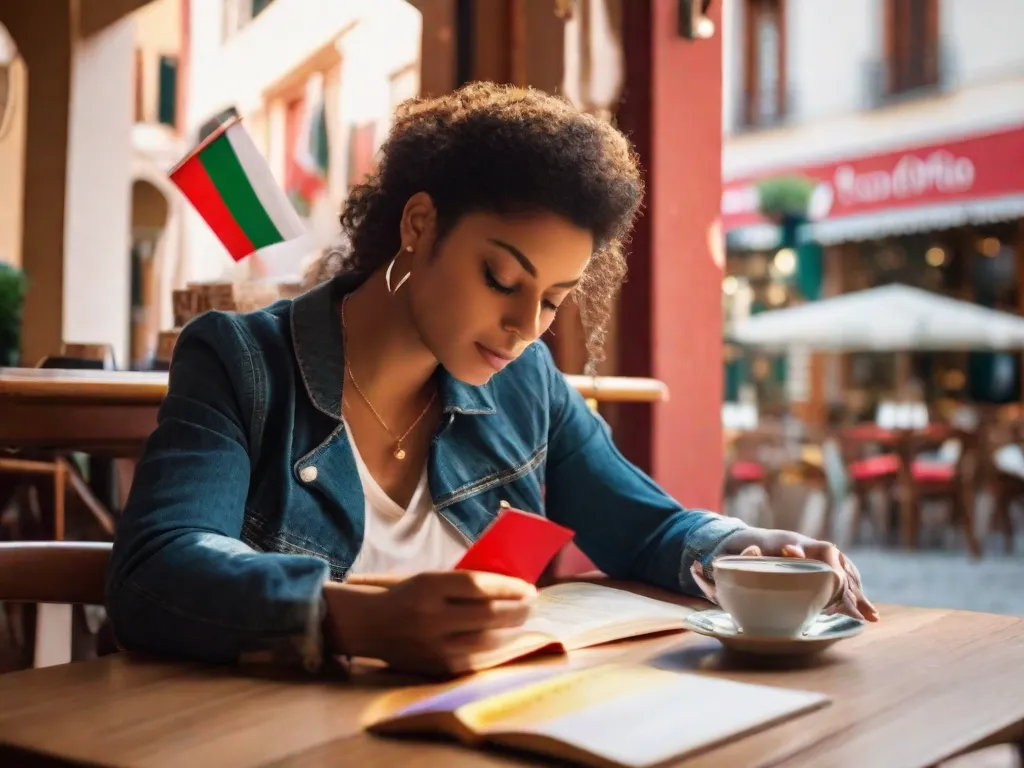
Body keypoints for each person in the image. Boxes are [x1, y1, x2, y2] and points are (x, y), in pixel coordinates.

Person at [107, 83, 877, 676]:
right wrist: (354, 620)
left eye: (552, 299)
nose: (525, 325)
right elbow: (157, 569)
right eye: (500, 276)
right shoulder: (241, 361)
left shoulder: (524, 382)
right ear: (417, 225)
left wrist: (748, 544)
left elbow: (643, 527)